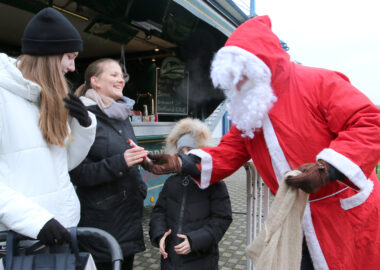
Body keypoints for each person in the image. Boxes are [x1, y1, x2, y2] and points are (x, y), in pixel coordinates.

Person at [142, 15, 380, 270]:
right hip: (295, 219)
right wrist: (179, 162)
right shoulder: (250, 110)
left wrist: (326, 169)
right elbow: (228, 152)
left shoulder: (319, 81)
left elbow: (369, 122)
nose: (236, 82)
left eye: (240, 72)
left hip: (342, 211)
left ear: (259, 65)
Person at [0, 7, 96, 246]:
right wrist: (35, 221)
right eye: (70, 56)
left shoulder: (50, 101)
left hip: (60, 233)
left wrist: (84, 128)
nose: (73, 67)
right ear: (49, 55)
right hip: (20, 241)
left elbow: (64, 165)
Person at [69, 58, 148, 270]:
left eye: (121, 75)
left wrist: (144, 166)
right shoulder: (82, 117)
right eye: (113, 74)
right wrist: (119, 163)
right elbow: (77, 173)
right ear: (95, 81)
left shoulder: (121, 114)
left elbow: (129, 154)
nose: (120, 79)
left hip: (128, 218)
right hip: (102, 223)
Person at [149, 118, 232, 270]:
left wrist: (195, 240)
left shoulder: (214, 183)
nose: (185, 156)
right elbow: (159, 212)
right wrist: (160, 235)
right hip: (171, 260)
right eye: (181, 152)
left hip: (201, 259)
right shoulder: (171, 182)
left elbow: (222, 218)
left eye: (190, 150)